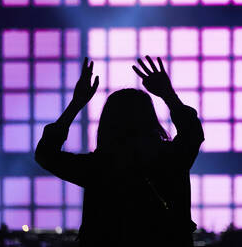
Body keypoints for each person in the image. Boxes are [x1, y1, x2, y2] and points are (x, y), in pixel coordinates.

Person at [35, 55, 205, 247]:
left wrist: (76, 105)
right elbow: (192, 133)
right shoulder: (171, 158)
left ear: (108, 123)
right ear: (149, 118)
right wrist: (168, 94)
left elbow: (46, 155)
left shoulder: (100, 167)